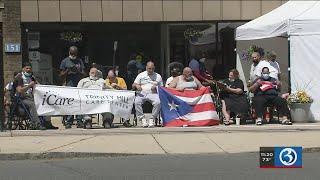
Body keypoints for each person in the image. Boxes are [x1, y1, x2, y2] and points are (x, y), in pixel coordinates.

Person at [15, 62, 54, 130]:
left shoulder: (31, 76)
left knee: (45, 101)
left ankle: (47, 122)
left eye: (30, 68)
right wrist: (30, 85)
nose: (28, 70)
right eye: (27, 68)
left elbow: (38, 85)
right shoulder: (19, 77)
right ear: (23, 69)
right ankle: (37, 124)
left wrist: (37, 83)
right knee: (32, 104)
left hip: (31, 96)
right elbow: (19, 90)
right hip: (22, 98)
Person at [60, 46, 85, 128]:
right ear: (69, 52)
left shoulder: (79, 61)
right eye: (72, 53)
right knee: (70, 103)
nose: (73, 55)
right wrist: (68, 70)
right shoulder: (65, 61)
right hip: (69, 84)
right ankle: (69, 121)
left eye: (74, 54)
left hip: (79, 84)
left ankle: (79, 120)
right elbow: (60, 75)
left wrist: (78, 71)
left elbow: (84, 73)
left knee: (78, 102)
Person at [132, 61, 163, 128]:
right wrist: (137, 85)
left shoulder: (158, 76)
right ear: (146, 68)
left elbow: (162, 88)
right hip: (142, 92)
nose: (151, 70)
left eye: (152, 68)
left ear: (154, 68)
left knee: (158, 102)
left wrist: (157, 87)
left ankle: (152, 119)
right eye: (149, 68)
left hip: (153, 93)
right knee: (136, 102)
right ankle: (142, 119)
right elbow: (133, 85)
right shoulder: (141, 75)